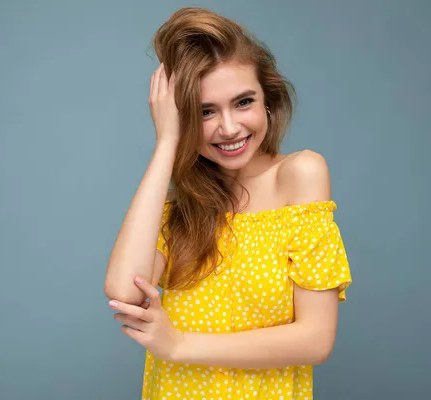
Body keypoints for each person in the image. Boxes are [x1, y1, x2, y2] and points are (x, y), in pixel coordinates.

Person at [104, 7, 352, 400]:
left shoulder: (300, 174)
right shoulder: (181, 209)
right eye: (205, 112)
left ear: (268, 101)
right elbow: (123, 290)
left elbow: (316, 339)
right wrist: (167, 143)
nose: (230, 127)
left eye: (243, 102)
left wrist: (180, 345)